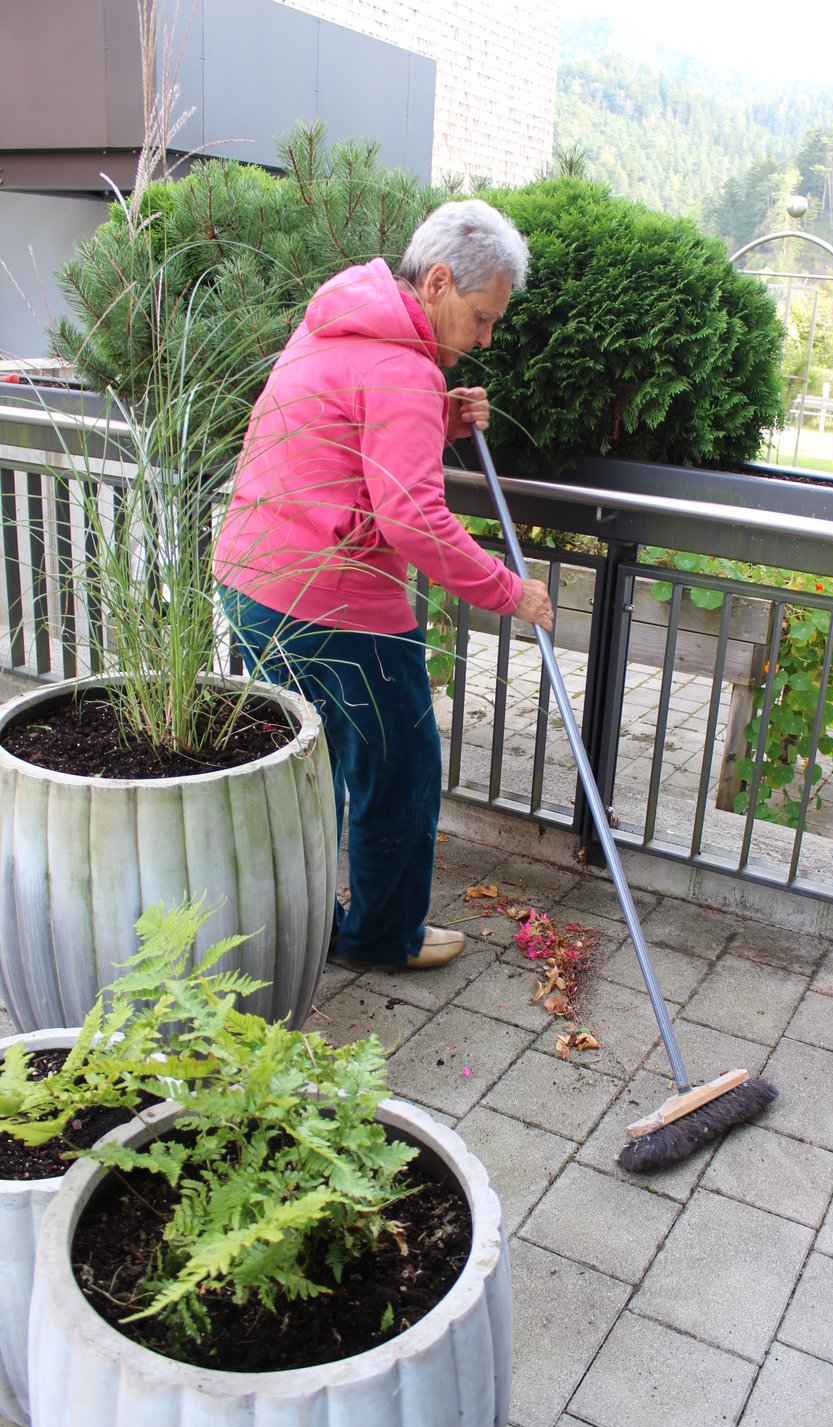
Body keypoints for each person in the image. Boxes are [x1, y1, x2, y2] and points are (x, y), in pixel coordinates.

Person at [214, 199, 554, 970]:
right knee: (397, 772)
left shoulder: (338, 321)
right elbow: (412, 518)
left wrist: (439, 415)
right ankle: (377, 937)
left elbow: (346, 431)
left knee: (305, 769)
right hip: (339, 604)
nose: (485, 338)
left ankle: (287, 931)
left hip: (260, 582)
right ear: (436, 282)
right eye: (480, 317)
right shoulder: (402, 365)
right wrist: (510, 591)